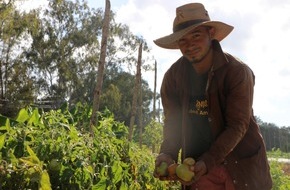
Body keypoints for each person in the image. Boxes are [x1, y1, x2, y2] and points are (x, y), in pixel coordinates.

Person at [153, 3, 272, 190]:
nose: (190, 45)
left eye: (196, 36)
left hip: (239, 169)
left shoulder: (237, 72)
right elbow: (172, 124)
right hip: (198, 172)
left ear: (210, 33)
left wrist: (207, 161)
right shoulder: (173, 78)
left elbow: (237, 125)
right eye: (182, 40)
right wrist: (167, 154)